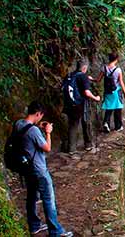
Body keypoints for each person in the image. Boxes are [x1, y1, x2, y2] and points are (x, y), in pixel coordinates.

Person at [15, 101, 73, 236]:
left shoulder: (19, 124)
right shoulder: (34, 130)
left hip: (27, 168)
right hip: (39, 169)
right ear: (38, 114)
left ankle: (34, 225)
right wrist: (48, 133)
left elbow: (26, 133)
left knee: (31, 197)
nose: (41, 118)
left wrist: (38, 127)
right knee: (48, 198)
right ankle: (56, 231)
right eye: (41, 116)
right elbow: (47, 148)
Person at [63, 59, 100, 153]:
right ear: (84, 67)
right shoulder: (83, 77)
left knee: (73, 125)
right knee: (86, 123)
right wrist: (96, 98)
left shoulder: (70, 75)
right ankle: (88, 145)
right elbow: (87, 93)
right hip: (80, 105)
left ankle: (71, 149)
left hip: (69, 104)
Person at [89, 53, 125, 132]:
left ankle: (106, 123)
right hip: (116, 91)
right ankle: (118, 126)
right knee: (118, 108)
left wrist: (91, 79)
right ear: (116, 59)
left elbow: (98, 80)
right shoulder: (118, 70)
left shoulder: (104, 68)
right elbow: (121, 82)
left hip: (107, 92)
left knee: (108, 108)